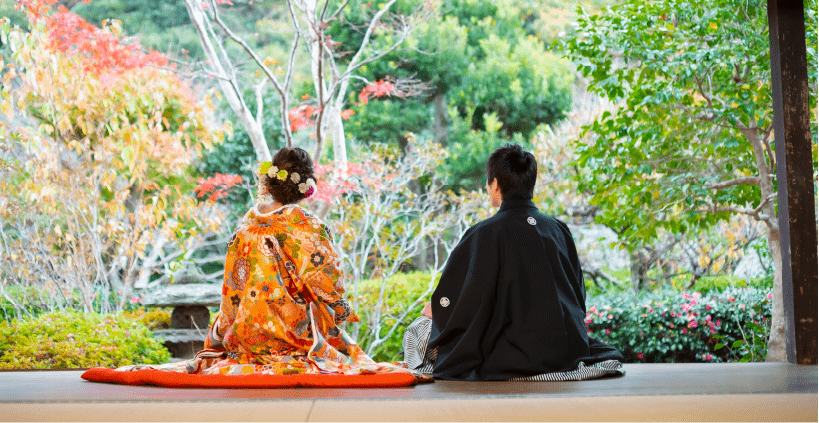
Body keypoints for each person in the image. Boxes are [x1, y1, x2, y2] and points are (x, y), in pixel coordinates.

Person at [120, 147, 417, 378]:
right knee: (338, 347)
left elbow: (231, 292)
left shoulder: (244, 230)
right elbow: (328, 283)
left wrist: (223, 334)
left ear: (270, 180)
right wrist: (339, 309)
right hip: (295, 338)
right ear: (306, 185)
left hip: (246, 340)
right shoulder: (307, 228)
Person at [403, 144, 624, 381]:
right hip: (565, 350)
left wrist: (437, 309)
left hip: (508, 354)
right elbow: (577, 295)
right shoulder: (559, 229)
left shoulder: (483, 234)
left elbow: (465, 301)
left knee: (418, 330)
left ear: (495, 184)